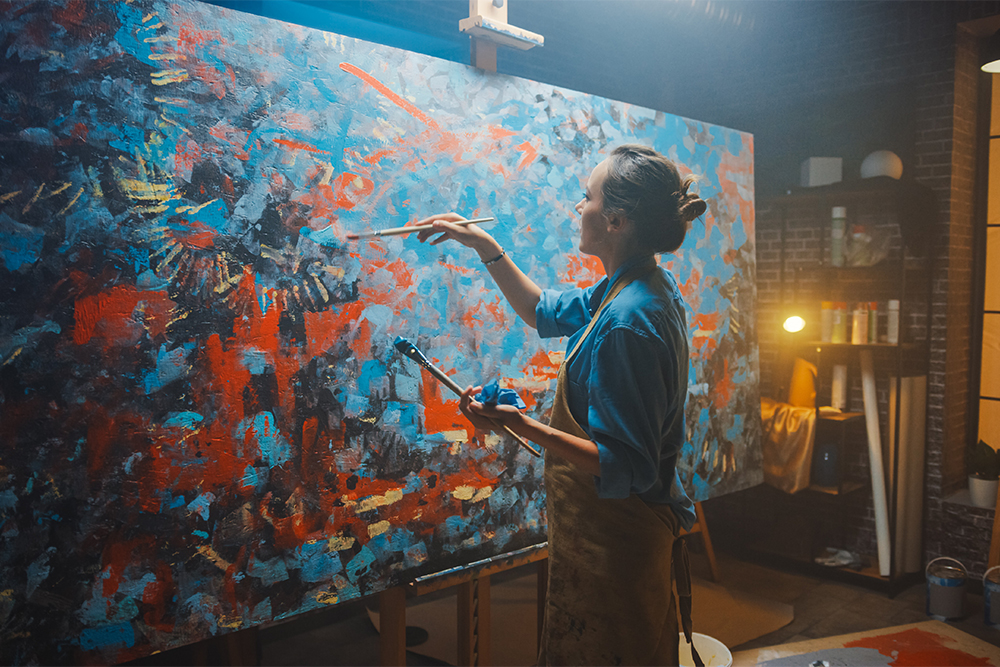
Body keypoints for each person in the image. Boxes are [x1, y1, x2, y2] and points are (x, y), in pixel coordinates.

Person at [414, 144, 707, 666]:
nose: (579, 207)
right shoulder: (631, 284)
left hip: (620, 539)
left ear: (615, 220)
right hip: (603, 534)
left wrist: (521, 423)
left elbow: (628, 466)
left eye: (587, 197)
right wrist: (483, 244)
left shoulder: (628, 322)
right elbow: (539, 309)